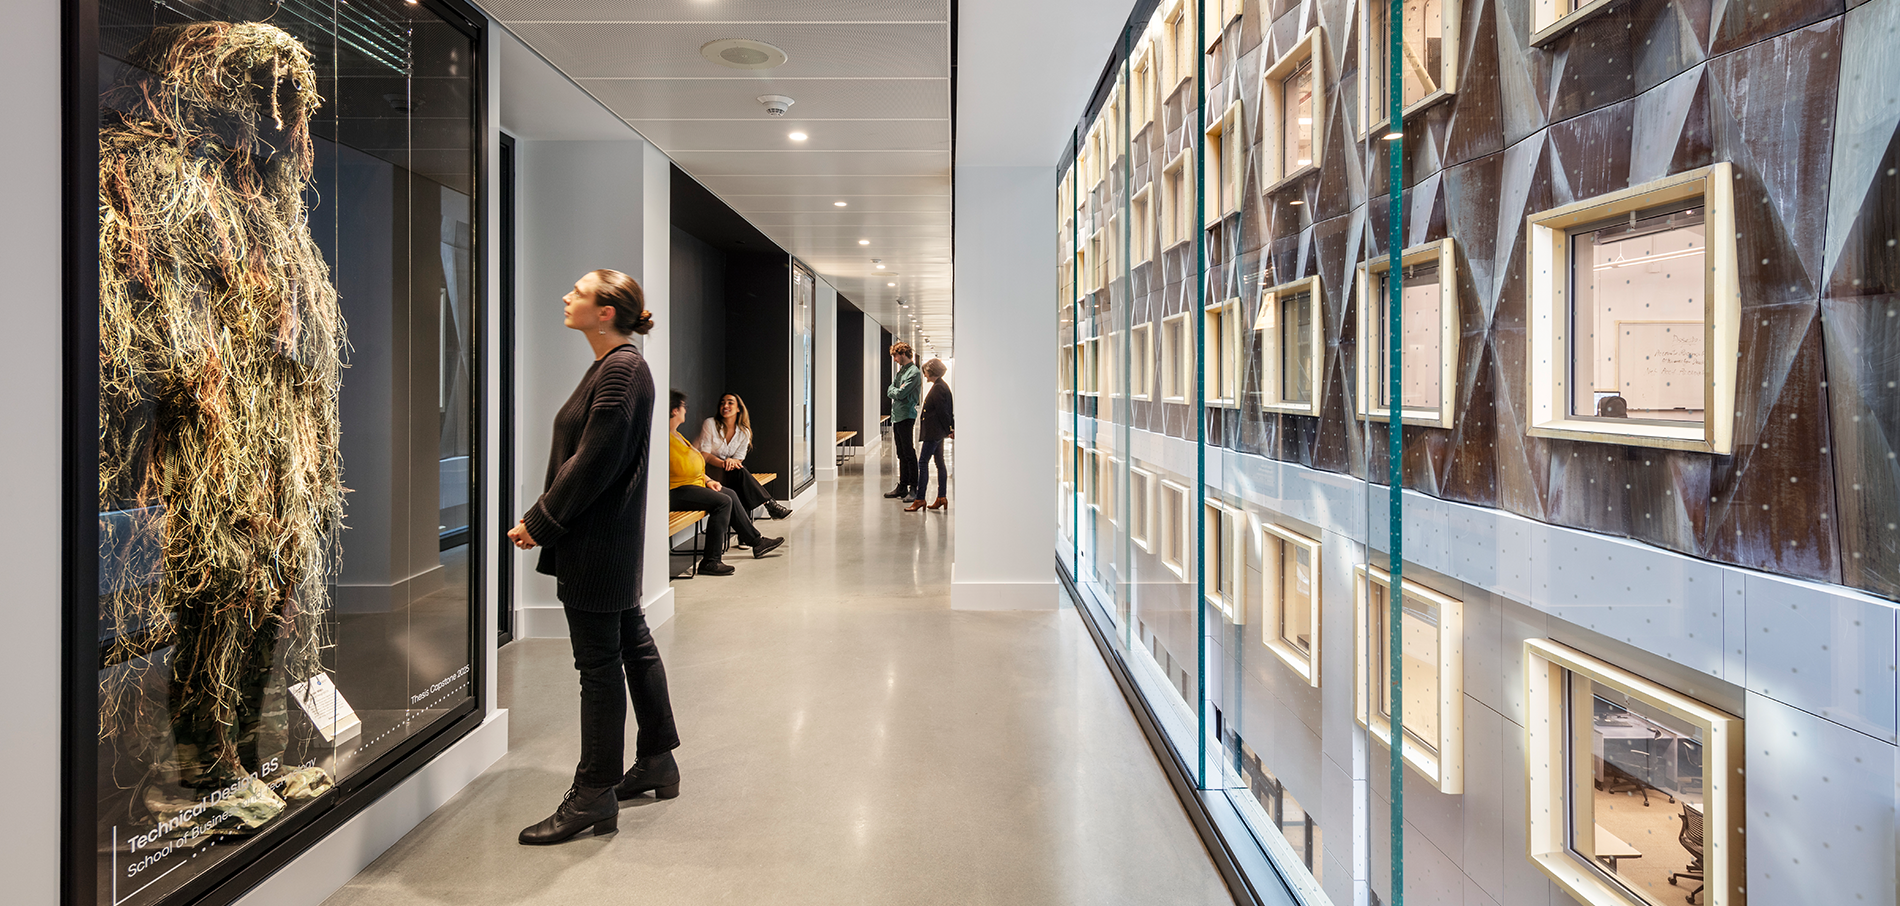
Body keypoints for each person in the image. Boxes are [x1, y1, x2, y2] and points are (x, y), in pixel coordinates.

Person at [507, 269, 680, 846]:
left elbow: (595, 459)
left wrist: (541, 521)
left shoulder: (622, 370)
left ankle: (594, 794)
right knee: (631, 643)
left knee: (598, 670)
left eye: (576, 291)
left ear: (605, 311)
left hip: (598, 544)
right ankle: (657, 759)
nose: (565, 295)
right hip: (607, 542)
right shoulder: (615, 368)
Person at [669, 390, 785, 575]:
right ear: (675, 410)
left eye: (731, 403)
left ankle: (756, 542)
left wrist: (708, 481)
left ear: (739, 409)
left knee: (730, 492)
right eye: (684, 406)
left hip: (699, 481)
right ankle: (711, 561)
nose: (686, 410)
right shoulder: (664, 438)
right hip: (676, 489)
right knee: (723, 501)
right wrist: (720, 467)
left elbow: (702, 461)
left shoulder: (676, 435)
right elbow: (701, 457)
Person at [695, 393, 792, 520]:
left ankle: (748, 535)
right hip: (710, 474)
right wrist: (724, 463)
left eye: (730, 402)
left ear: (738, 408)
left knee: (740, 482)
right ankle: (769, 505)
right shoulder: (710, 424)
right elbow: (705, 454)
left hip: (731, 474)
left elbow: (739, 458)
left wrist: (731, 461)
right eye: (722, 403)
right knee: (740, 475)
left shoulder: (743, 431)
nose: (725, 405)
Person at [907, 358, 954, 512]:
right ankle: (941, 497)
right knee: (939, 463)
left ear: (931, 371)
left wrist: (949, 429)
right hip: (937, 432)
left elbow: (943, 412)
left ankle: (920, 499)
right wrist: (948, 429)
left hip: (934, 432)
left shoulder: (939, 388)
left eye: (926, 372)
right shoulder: (940, 386)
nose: (925, 375)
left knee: (923, 463)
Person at [884, 341, 923, 500]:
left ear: (903, 354)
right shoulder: (901, 372)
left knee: (908, 452)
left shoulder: (914, 373)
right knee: (900, 452)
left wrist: (896, 391)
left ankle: (914, 487)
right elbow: (890, 390)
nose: (895, 360)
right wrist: (896, 391)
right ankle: (902, 485)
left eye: (895, 356)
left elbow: (900, 394)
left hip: (906, 416)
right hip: (897, 416)